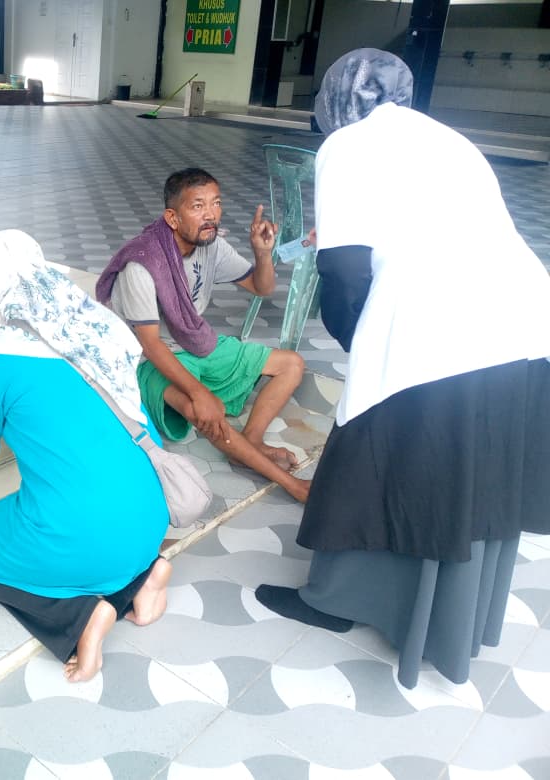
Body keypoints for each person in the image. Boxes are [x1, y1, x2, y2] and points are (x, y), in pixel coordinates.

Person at [255, 49, 550, 688]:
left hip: (435, 322)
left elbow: (342, 269)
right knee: (469, 464)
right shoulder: (447, 138)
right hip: (524, 316)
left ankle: (335, 600)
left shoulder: (348, 144)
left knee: (370, 453)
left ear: (337, 98)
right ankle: (453, 614)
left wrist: (356, 337)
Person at [0, 230, 173, 683]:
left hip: (84, 532)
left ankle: (81, 616)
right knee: (87, 522)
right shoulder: (100, 326)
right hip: (154, 513)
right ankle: (145, 576)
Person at [96, 169, 310, 503]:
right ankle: (292, 485)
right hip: (150, 361)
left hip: (195, 343)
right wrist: (200, 393)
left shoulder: (211, 245)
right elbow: (150, 345)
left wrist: (262, 253)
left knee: (292, 364)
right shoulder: (142, 264)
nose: (210, 214)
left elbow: (261, 287)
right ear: (173, 217)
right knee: (202, 411)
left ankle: (251, 442)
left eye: (216, 203)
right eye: (198, 206)